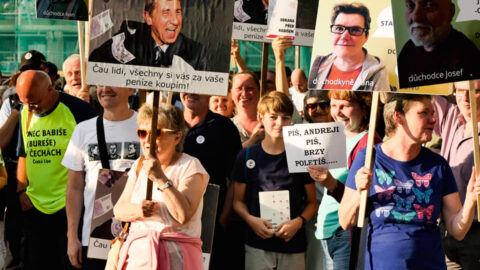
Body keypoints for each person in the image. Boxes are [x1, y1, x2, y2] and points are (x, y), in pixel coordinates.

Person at [338, 93, 480, 269]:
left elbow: (457, 230)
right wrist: (359, 194)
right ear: (398, 116)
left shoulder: (438, 165)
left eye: (433, 113)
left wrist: (471, 200)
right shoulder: (368, 158)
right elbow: (344, 220)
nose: (433, 120)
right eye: (423, 113)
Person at [113, 102, 209, 269]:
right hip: (139, 260)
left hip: (177, 259)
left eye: (156, 133)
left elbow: (183, 214)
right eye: (142, 133)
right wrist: (138, 210)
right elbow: (119, 209)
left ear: (177, 137)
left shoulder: (191, 166)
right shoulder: (140, 164)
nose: (147, 140)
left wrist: (160, 179)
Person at [16, 70, 96, 269]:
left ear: (51, 88)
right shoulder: (26, 111)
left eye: (35, 102)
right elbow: (24, 152)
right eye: (26, 103)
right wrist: (20, 191)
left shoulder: (78, 110)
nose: (32, 108)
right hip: (35, 206)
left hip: (68, 207)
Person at [232, 91, 318, 270]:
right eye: (273, 117)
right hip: (257, 245)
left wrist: (299, 222)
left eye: (285, 118)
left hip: (293, 246)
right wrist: (250, 220)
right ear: (260, 117)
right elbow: (237, 202)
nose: (279, 123)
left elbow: (312, 202)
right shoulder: (247, 155)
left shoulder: (300, 155)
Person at [62, 86, 139, 269]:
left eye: (113, 82)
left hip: (140, 238)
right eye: (101, 83)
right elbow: (74, 187)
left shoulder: (147, 127)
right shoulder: (83, 130)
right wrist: (72, 237)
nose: (105, 89)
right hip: (96, 238)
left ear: (130, 88)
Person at [307, 90, 381, 270]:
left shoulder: (368, 143)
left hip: (347, 234)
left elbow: (364, 200)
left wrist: (331, 184)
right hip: (328, 230)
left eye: (345, 106)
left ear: (364, 109)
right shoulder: (334, 136)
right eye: (333, 105)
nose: (337, 112)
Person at [180, 92, 243, 269]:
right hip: (172, 223)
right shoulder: (169, 121)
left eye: (197, 87)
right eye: (187, 86)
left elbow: (236, 178)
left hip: (211, 224)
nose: (191, 93)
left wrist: (223, 218)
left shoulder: (224, 127)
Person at [0, 49, 47, 270]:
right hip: (17, 179)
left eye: (36, 70)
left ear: (46, 71)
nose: (30, 75)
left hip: (50, 180)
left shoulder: (58, 100)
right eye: (25, 71)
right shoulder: (11, 100)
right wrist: (17, 113)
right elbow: (1, 141)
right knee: (15, 237)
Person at [433, 79, 480, 269]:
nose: (465, 97)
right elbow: (422, 88)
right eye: (460, 90)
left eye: (474, 91)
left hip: (476, 230)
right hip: (447, 227)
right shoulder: (451, 116)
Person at [89, 0, 208, 71]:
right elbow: (95, 62)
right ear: (148, 18)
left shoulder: (196, 52)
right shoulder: (129, 38)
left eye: (178, 12)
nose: (175, 21)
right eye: (166, 13)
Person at [397, 0, 480, 88]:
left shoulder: (467, 57)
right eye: (411, 5)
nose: (416, 17)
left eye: (430, 5)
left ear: (451, 12)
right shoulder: (407, 51)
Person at [308, 3, 389, 91]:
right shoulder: (318, 64)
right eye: (339, 28)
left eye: (355, 30)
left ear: (366, 36)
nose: (344, 36)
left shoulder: (378, 74)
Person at [230, 71, 264, 148]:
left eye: (249, 88)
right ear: (231, 93)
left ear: (259, 91)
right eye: (239, 89)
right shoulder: (226, 127)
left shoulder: (271, 122)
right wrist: (253, 140)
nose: (244, 93)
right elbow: (227, 158)